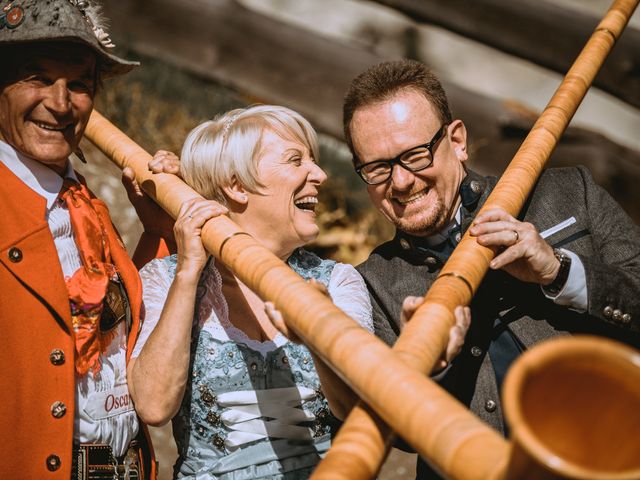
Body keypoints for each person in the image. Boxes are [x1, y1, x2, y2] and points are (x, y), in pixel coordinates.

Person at [343, 59, 640, 478]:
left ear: (458, 141)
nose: (402, 182)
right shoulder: (369, 284)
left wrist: (559, 271)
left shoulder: (571, 192)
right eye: (377, 168)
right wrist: (432, 366)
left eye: (414, 155)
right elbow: (397, 437)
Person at [129, 105, 377, 479]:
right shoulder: (167, 279)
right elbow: (153, 406)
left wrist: (317, 331)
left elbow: (361, 408)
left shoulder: (339, 281)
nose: (321, 175)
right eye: (296, 161)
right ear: (236, 186)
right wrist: (188, 272)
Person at [0, 1, 176, 478]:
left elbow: (109, 324)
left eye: (78, 83)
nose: (60, 103)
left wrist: (159, 232)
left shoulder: (83, 198)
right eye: (36, 77)